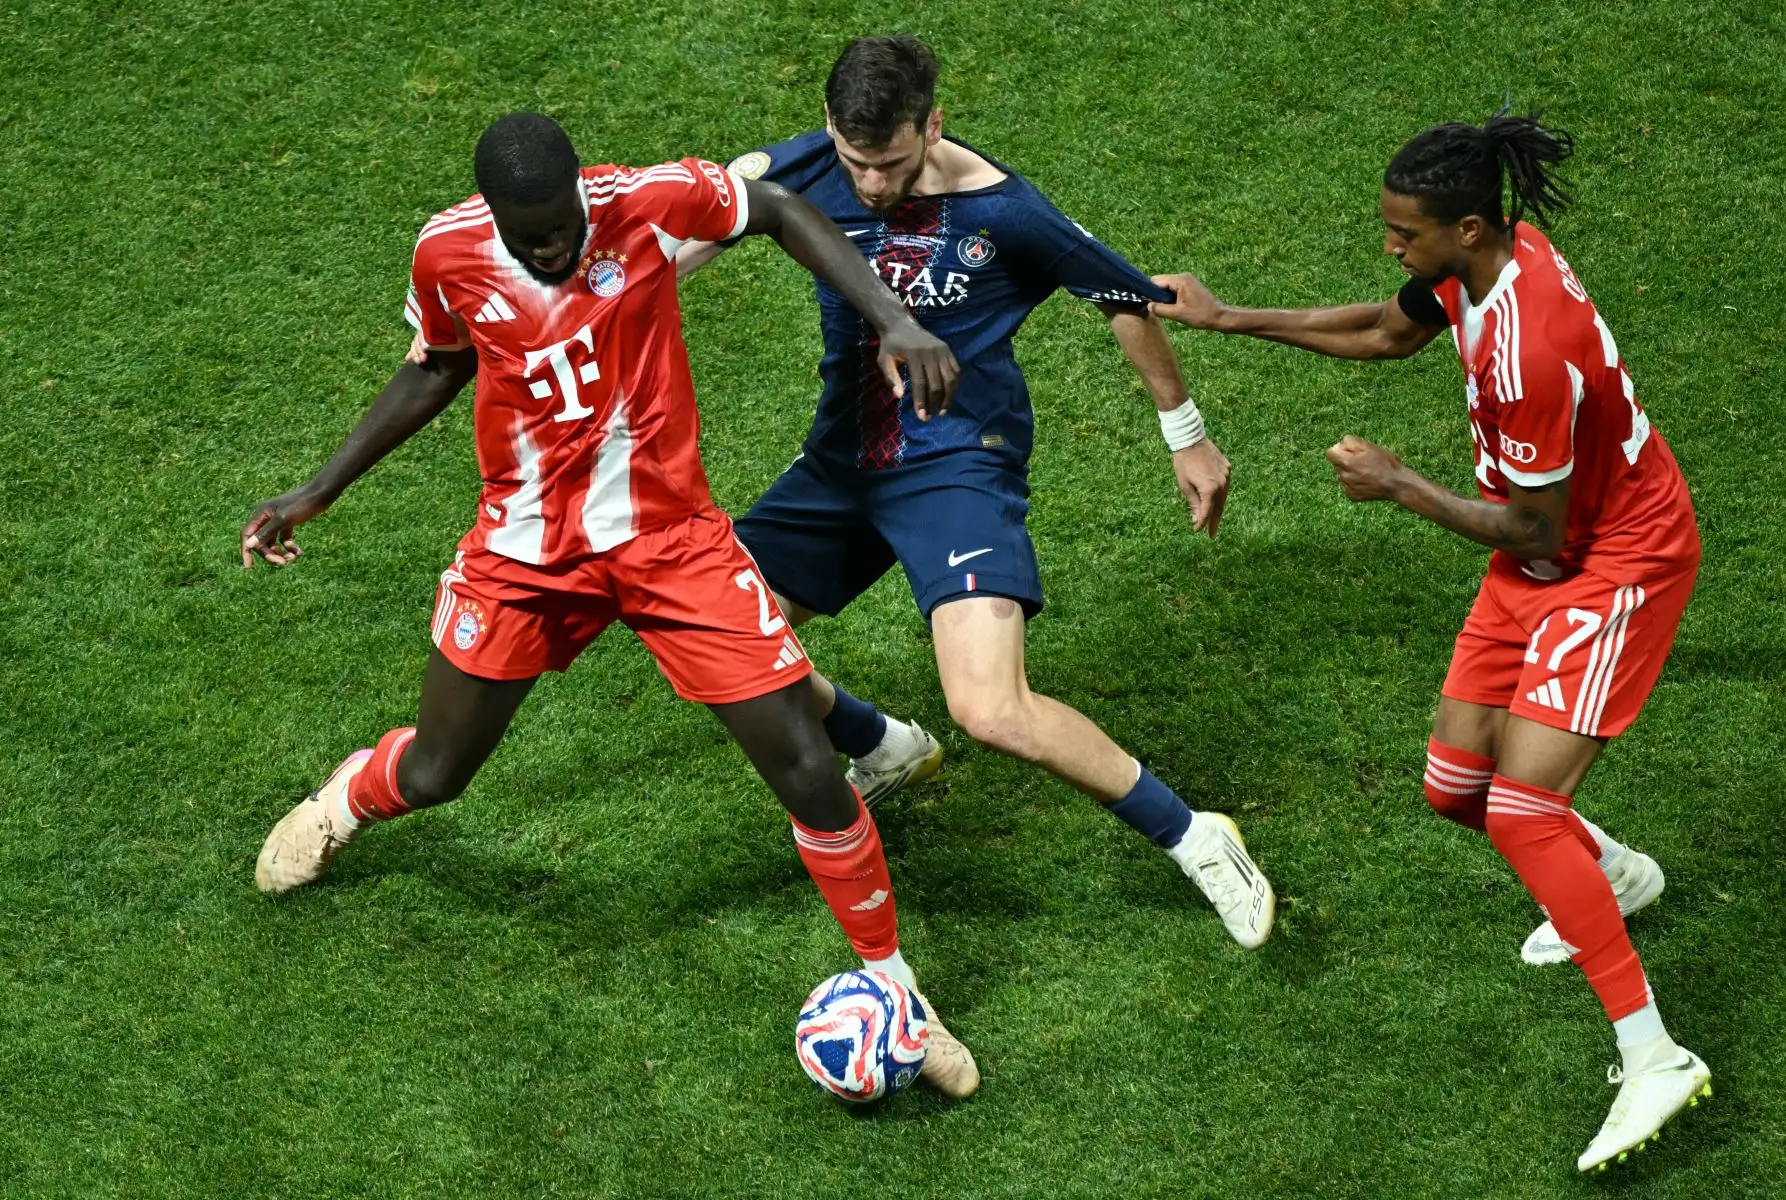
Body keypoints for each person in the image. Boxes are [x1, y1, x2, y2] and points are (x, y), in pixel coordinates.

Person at [243, 111, 979, 1098]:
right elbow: (439, 364)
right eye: (530, 236)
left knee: (804, 765)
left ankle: (897, 993)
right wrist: (319, 489)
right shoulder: (447, 252)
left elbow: (778, 208)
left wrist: (893, 317)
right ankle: (347, 801)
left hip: (672, 542)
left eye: (562, 230)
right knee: (438, 768)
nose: (552, 249)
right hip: (525, 555)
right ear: (495, 217)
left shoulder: (642, 201)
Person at [1150, 110, 1708, 1170]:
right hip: (1537, 556)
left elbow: (1537, 525)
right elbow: (1386, 331)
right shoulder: (1488, 261)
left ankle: (1654, 1055)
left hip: (1610, 562)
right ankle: (1616, 879)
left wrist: (1400, 485)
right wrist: (1226, 319)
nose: (1392, 250)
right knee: (1458, 789)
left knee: (1526, 807)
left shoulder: (1532, 351)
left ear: (1465, 228)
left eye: (1406, 236)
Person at [677, 36, 1274, 949]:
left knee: (990, 708)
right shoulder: (801, 166)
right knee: (705, 633)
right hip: (840, 465)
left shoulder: (1007, 210)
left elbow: (1123, 297)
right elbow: (675, 240)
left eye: (889, 162)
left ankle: (1196, 837)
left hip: (958, 463)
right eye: (853, 161)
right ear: (832, 129)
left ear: (933, 124)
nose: (870, 186)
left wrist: (1186, 438)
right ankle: (878, 744)